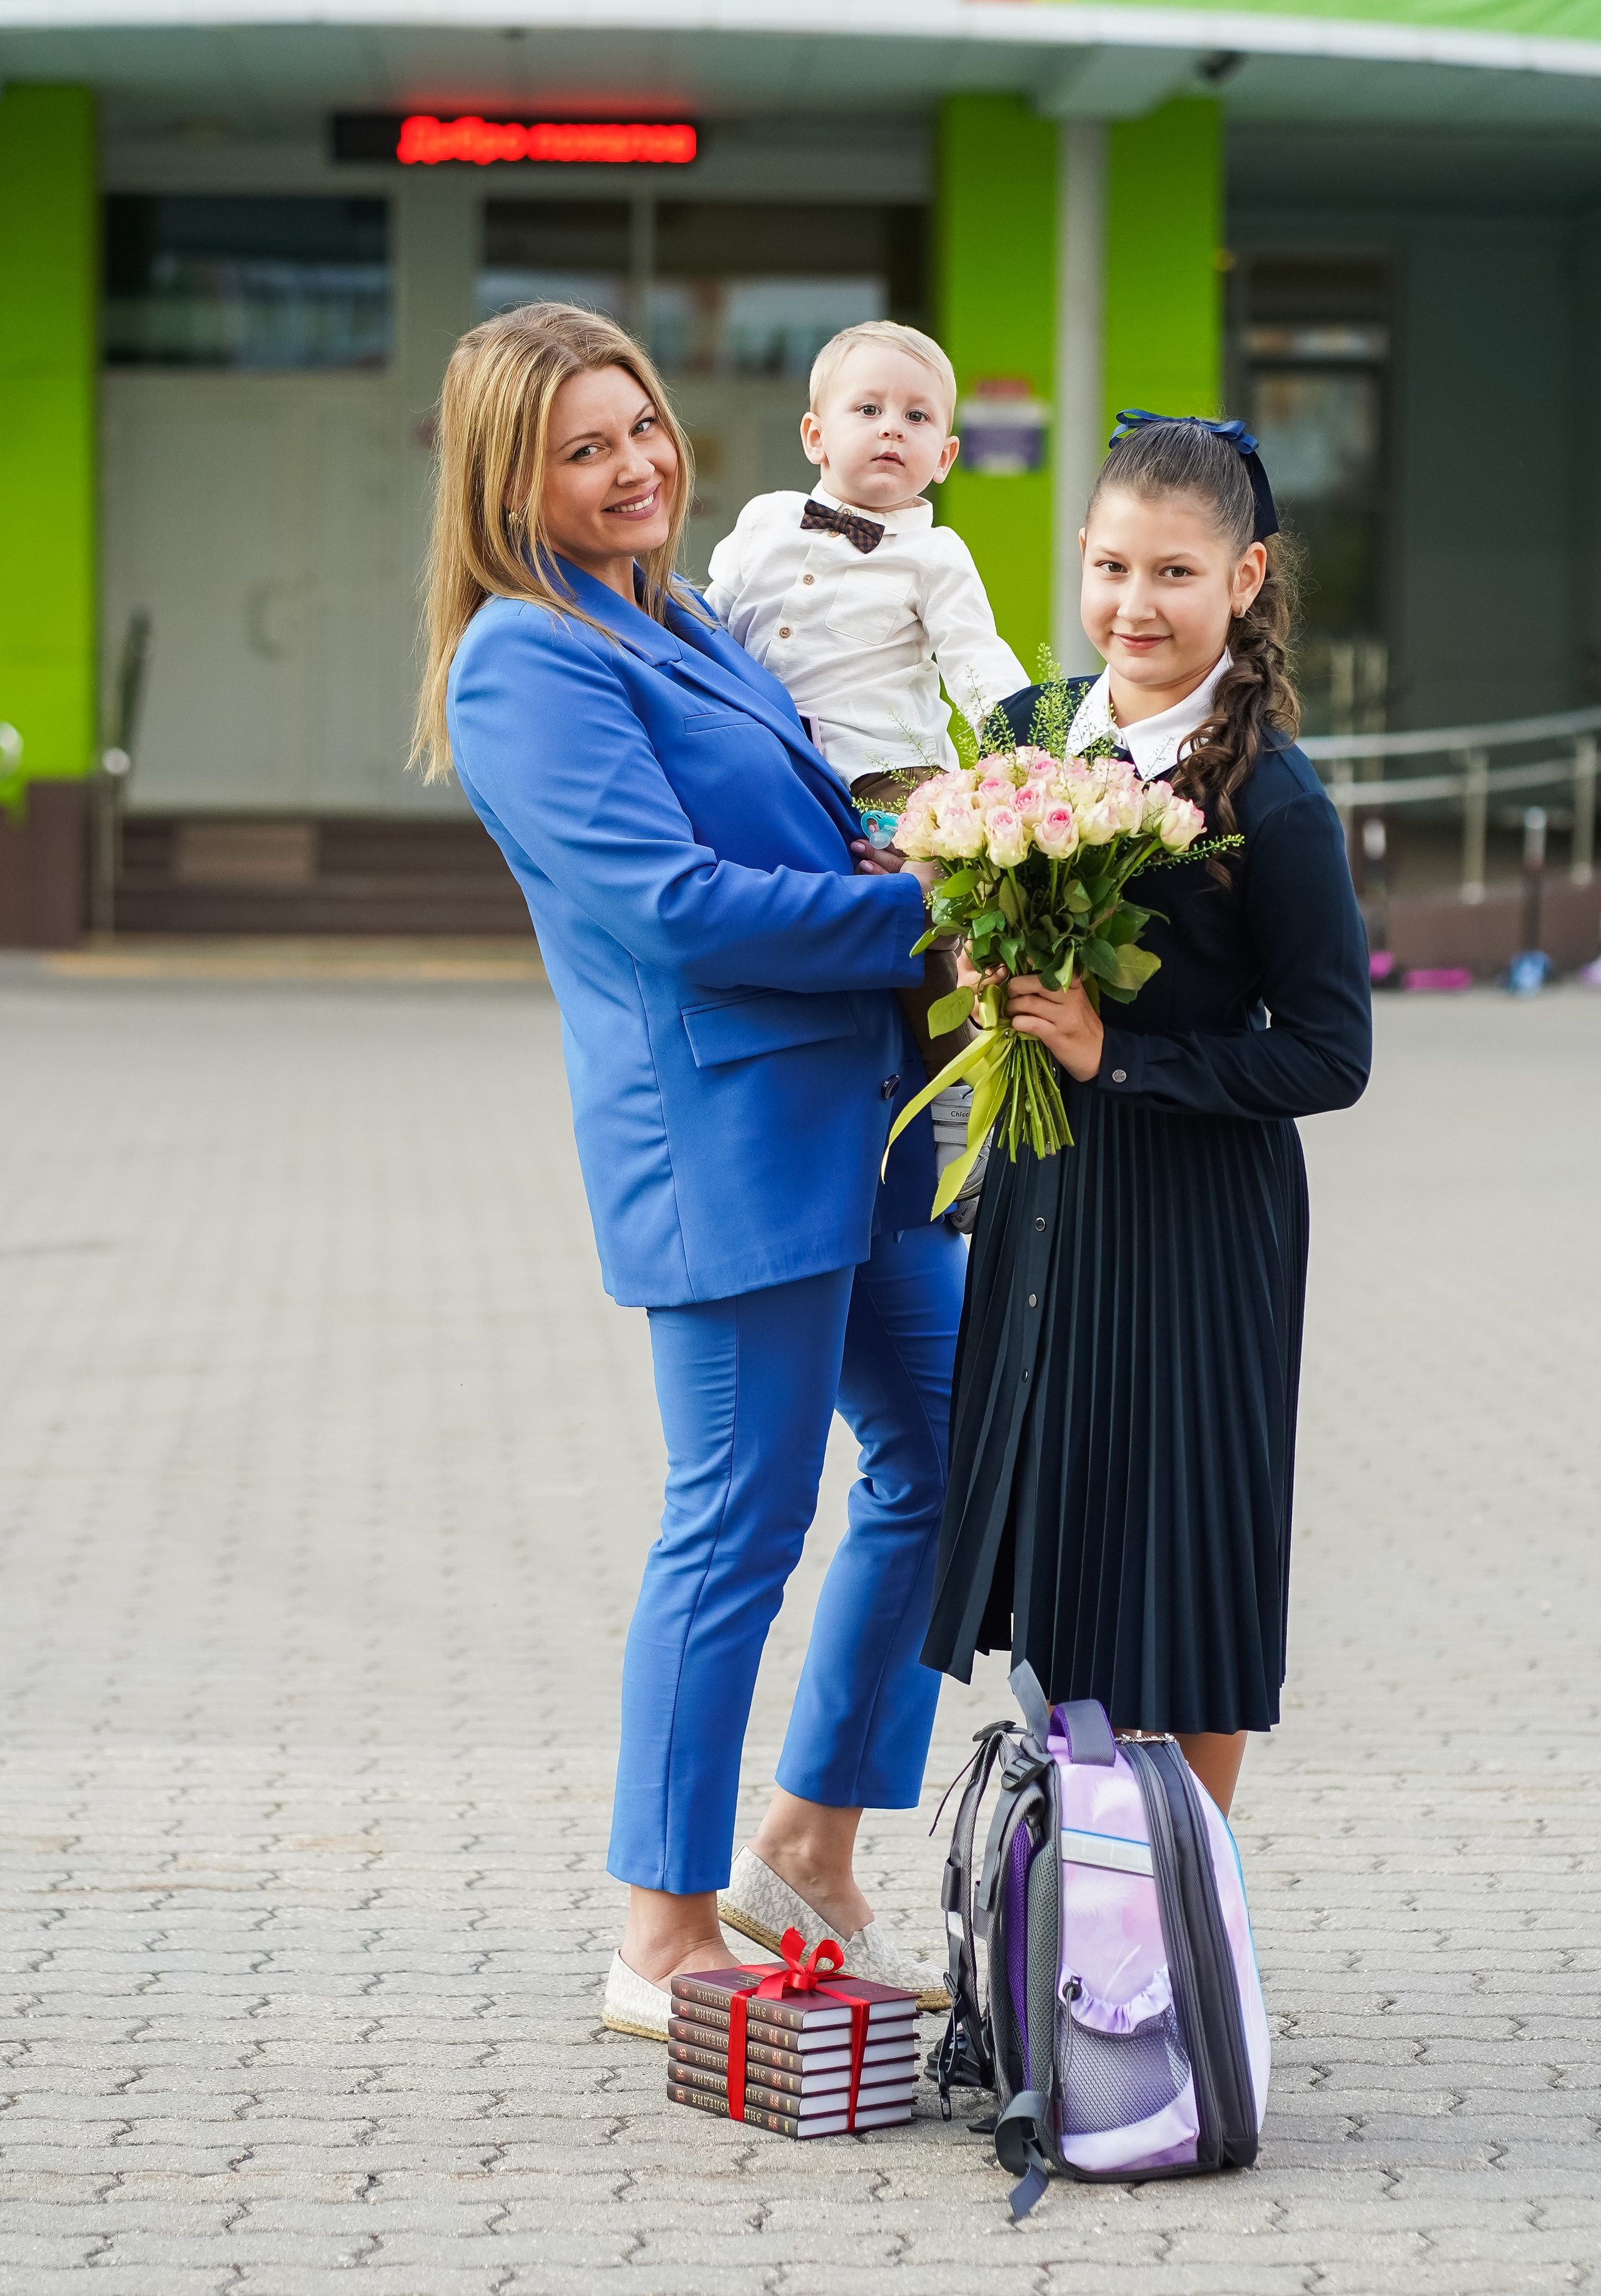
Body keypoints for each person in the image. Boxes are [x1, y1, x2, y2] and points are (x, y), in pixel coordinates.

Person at [412, 303, 968, 2038]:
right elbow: (669, 906)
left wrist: (928, 850)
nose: (634, 467)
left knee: (958, 1456)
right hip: (726, 1143)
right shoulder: (525, 660)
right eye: (582, 451)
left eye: (641, 426)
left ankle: (804, 1845)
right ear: (507, 481)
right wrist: (920, 920)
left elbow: (788, 826)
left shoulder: (688, 616)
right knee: (736, 1521)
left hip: (862, 1114)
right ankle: (659, 1935)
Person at [919, 413, 1373, 1819]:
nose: (1136, 604)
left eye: (1175, 574)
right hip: (1047, 1202)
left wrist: (1117, 1055)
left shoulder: (1271, 795)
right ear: (1079, 555)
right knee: (1062, 1542)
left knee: (1190, 1563)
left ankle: (1185, 1907)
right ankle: (1079, 1894)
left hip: (1197, 1224)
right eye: (1112, 567)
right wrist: (980, 969)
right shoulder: (1024, 738)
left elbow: (1329, 1055)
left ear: (1245, 578)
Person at [705, 319, 1031, 1208]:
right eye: (869, 409)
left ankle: (962, 1101)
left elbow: (977, 660)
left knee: (915, 920)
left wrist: (1023, 755)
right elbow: (709, 616)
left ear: (946, 456)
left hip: (888, 773)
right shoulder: (763, 521)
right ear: (816, 435)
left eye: (918, 417)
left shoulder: (936, 555)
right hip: (775, 765)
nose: (893, 428)